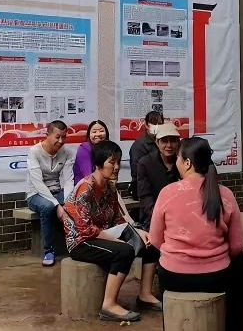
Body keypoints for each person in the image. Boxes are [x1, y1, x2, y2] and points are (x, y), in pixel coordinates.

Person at [149, 136, 243, 331]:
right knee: (241, 267)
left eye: (178, 158)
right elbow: (237, 246)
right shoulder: (225, 194)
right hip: (216, 277)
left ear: (187, 163)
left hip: (174, 276)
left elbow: (154, 239)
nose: (176, 162)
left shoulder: (167, 192)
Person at [62, 140, 162, 323]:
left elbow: (118, 219)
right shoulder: (85, 188)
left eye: (118, 162)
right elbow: (86, 230)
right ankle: (109, 305)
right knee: (124, 251)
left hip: (104, 234)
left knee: (151, 243)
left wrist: (138, 232)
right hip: (81, 242)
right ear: (98, 164)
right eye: (111, 162)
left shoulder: (110, 187)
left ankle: (145, 295)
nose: (116, 167)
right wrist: (119, 241)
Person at [26, 120, 75, 266]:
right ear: (47, 135)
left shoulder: (68, 152)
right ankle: (48, 251)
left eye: (64, 137)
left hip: (57, 191)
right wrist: (57, 205)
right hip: (36, 194)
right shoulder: (34, 152)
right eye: (57, 137)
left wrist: (67, 202)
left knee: (75, 203)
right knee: (48, 207)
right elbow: (37, 182)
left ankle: (76, 245)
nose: (61, 141)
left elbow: (68, 180)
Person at [135, 121, 180, 229]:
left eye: (172, 141)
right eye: (164, 141)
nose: (169, 145)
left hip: (180, 217)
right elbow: (145, 196)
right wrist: (159, 218)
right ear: (157, 142)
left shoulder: (182, 162)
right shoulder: (145, 163)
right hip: (152, 219)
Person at [128, 110, 164, 201]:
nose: (156, 126)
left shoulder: (163, 141)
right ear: (146, 124)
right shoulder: (139, 145)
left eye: (159, 123)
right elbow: (137, 172)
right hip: (144, 188)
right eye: (153, 123)